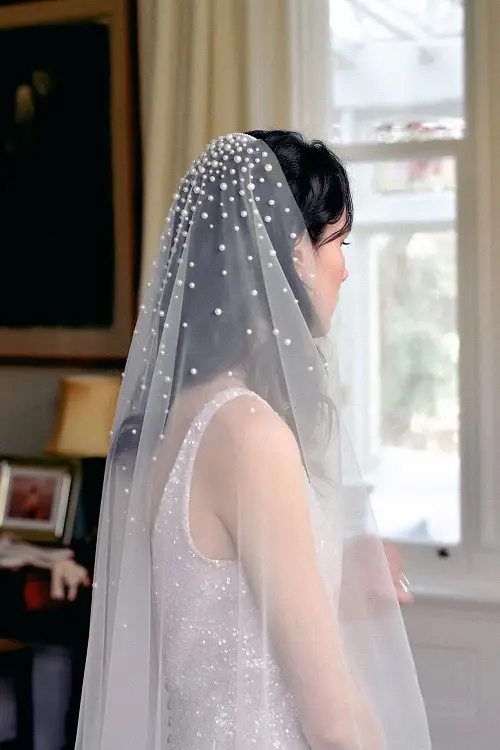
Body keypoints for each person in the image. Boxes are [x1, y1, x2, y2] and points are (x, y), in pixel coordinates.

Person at [76, 131, 431, 749]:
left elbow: (225, 611)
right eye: (339, 243)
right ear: (295, 255)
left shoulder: (174, 421)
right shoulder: (247, 434)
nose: (345, 269)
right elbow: (333, 721)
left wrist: (344, 574)